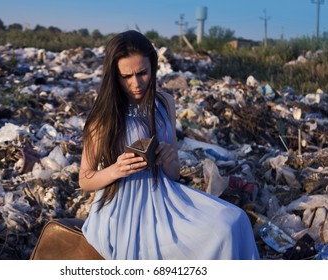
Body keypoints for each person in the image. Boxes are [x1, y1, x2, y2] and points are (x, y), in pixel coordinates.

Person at [79, 30, 260, 260]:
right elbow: (85, 179)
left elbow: (173, 174)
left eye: (142, 73)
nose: (136, 83)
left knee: (235, 220)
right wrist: (116, 169)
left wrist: (168, 159)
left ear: (153, 67)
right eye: (126, 76)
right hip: (122, 210)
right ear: (115, 76)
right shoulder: (104, 117)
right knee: (219, 233)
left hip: (167, 196)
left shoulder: (165, 103)